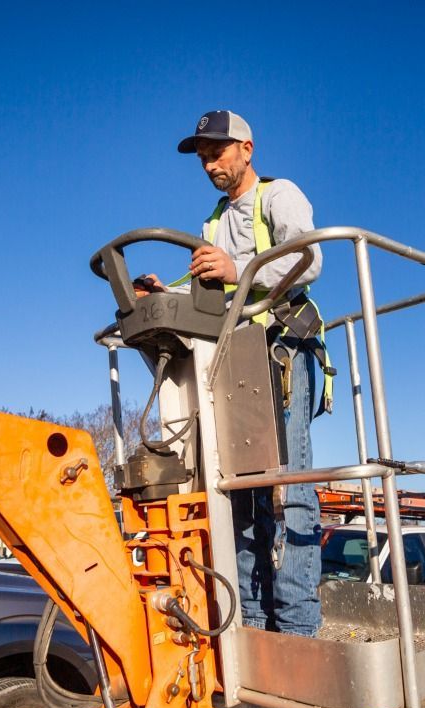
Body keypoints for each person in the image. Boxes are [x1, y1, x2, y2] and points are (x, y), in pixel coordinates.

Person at [137, 110, 326, 637]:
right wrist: (164, 294)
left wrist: (237, 269)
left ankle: (299, 628)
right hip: (235, 358)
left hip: (283, 348)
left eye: (217, 151)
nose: (209, 163)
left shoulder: (277, 195)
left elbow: (308, 259)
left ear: (247, 148)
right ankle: (253, 626)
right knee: (239, 488)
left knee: (286, 486)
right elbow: (208, 286)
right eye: (202, 156)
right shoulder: (214, 221)